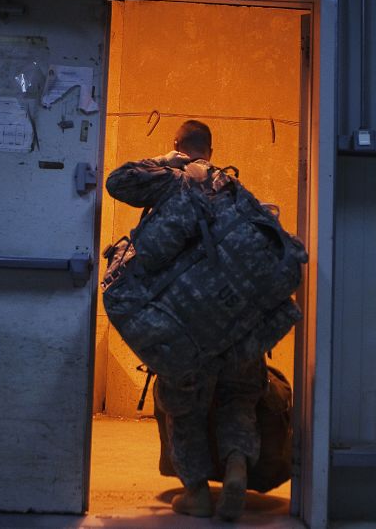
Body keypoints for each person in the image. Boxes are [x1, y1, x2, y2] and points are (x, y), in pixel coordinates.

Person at [105, 120, 268, 521]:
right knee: (238, 397)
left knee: (183, 406)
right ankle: (235, 467)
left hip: (185, 322)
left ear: (178, 145)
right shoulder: (236, 190)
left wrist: (164, 161)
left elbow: (116, 181)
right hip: (239, 316)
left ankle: (196, 493)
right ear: (212, 149)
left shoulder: (171, 180)